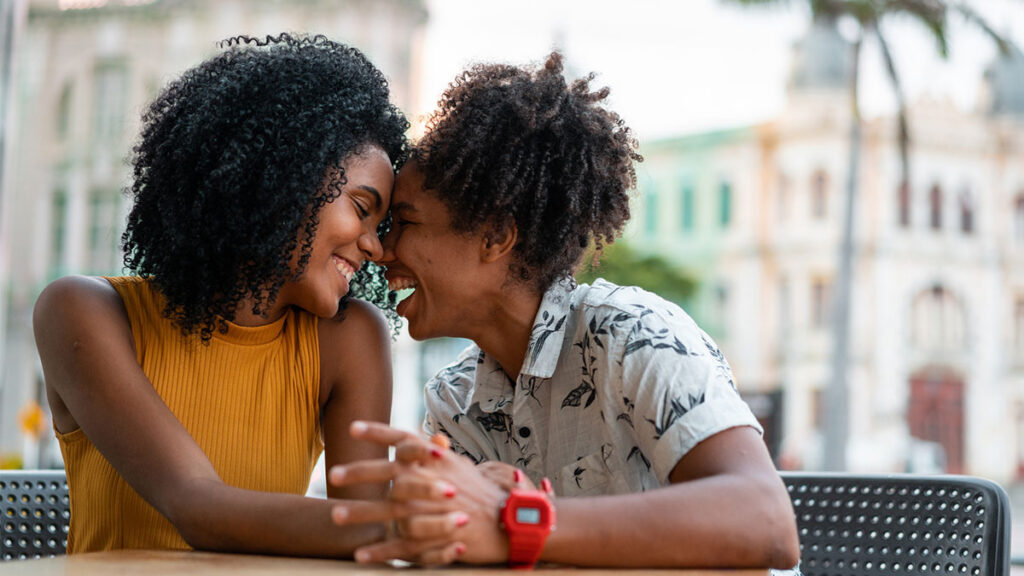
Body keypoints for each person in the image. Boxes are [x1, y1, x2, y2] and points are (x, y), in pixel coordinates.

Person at [327, 52, 802, 569]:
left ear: (495, 236)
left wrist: (522, 519)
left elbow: (766, 521)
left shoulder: (633, 336)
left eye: (406, 222)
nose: (382, 247)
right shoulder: (455, 404)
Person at [32, 34, 453, 556]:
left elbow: (359, 556)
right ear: (283, 176)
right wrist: (438, 522)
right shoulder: (83, 312)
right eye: (361, 207)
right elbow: (197, 507)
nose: (374, 246)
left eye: (382, 222)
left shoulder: (350, 341)